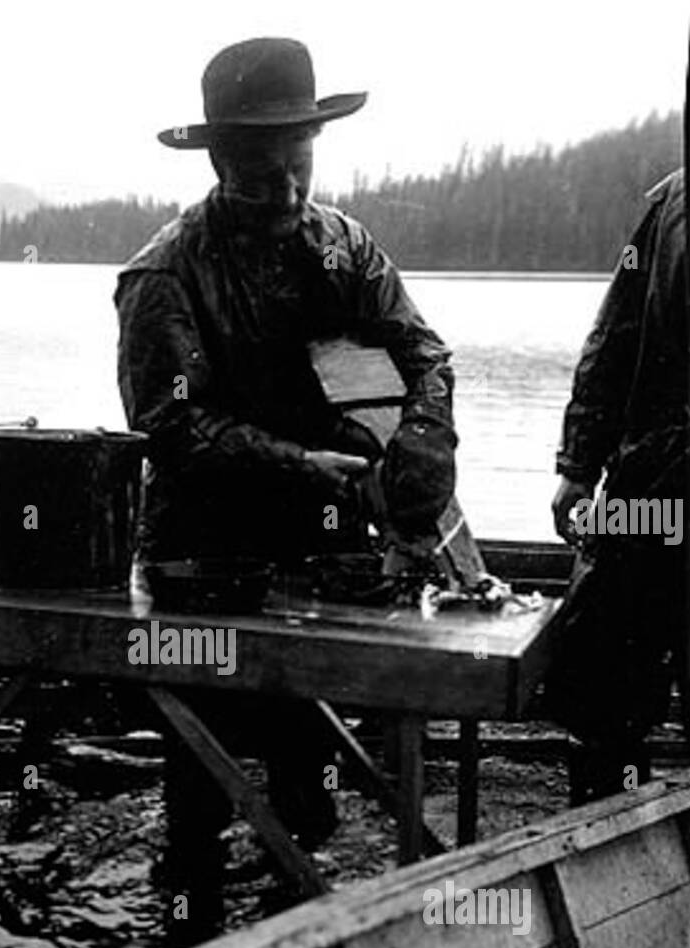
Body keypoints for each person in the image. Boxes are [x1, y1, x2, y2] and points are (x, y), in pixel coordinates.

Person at [114, 36, 458, 883]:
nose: (288, 188)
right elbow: (172, 428)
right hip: (201, 551)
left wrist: (421, 436)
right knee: (199, 762)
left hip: (321, 543)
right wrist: (298, 462)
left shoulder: (346, 248)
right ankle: (188, 906)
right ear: (219, 162)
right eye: (262, 171)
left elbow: (426, 355)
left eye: (299, 165)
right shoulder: (163, 275)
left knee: (307, 764)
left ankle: (300, 902)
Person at [546, 168, 687, 803]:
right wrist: (578, 465)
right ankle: (609, 858)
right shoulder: (671, 203)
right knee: (598, 676)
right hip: (653, 485)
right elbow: (614, 339)